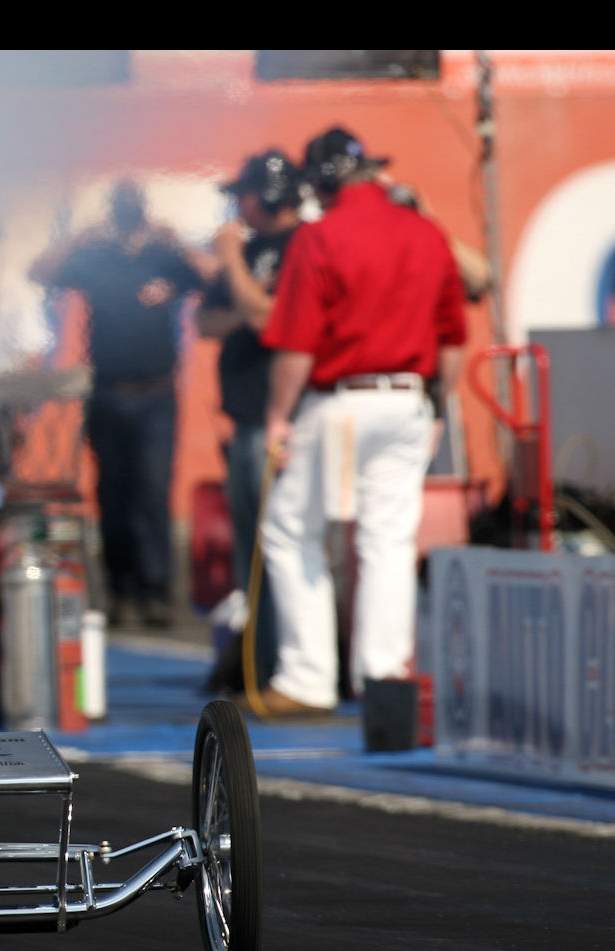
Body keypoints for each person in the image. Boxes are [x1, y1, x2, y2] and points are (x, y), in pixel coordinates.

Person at [255, 128, 466, 716]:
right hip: (409, 402)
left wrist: (277, 417)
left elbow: (297, 344)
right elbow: (452, 337)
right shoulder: (427, 233)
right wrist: (437, 409)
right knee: (388, 539)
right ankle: (382, 677)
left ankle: (307, 677)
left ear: (322, 181)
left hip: (340, 400)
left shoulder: (319, 237)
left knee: (292, 529)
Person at [31, 181, 213, 628]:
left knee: (151, 495)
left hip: (156, 394)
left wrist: (179, 243)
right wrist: (80, 237)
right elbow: (40, 272)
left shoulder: (165, 257)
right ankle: (119, 591)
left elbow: (213, 277)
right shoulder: (96, 256)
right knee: (112, 497)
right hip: (109, 390)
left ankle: (155, 592)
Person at [198, 149, 303, 691]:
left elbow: (266, 319)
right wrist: (246, 295)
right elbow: (208, 321)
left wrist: (234, 265)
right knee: (251, 555)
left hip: (279, 422)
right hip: (244, 420)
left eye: (244, 194)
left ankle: (288, 663)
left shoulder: (298, 246)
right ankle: (257, 662)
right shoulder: (254, 250)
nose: (237, 207)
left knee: (281, 549)